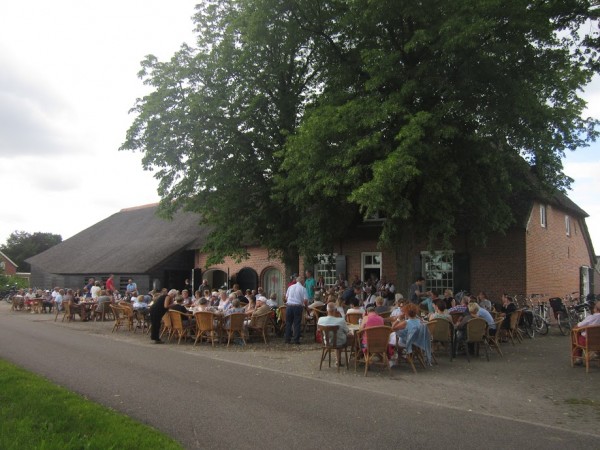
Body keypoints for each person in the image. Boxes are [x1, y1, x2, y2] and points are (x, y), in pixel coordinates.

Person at [284, 275, 308, 344]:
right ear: (302, 282)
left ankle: (287, 339)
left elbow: (286, 298)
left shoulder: (290, 287)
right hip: (297, 306)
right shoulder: (303, 289)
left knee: (288, 323)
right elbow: (305, 300)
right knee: (297, 323)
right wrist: (306, 307)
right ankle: (296, 340)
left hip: (289, 306)